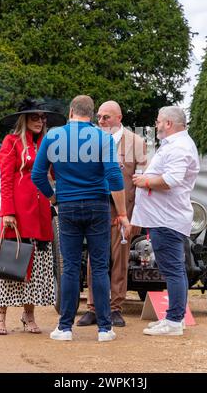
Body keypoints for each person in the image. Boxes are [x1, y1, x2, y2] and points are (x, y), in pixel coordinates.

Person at [32, 95, 131, 342]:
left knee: (70, 268)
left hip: (68, 206)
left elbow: (38, 175)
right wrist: (121, 213)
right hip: (98, 206)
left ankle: (65, 327)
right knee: (99, 266)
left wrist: (53, 198)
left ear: (71, 111)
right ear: (91, 113)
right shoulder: (103, 138)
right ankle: (105, 329)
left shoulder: (53, 136)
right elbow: (114, 177)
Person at [0, 99, 65, 335]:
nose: (40, 121)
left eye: (42, 117)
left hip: (41, 210)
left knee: (37, 266)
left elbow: (57, 173)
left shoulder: (47, 144)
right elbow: (6, 179)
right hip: (19, 211)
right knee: (12, 262)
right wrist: (8, 212)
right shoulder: (11, 142)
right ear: (24, 120)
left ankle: (28, 314)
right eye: (35, 117)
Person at [77, 101, 147, 328]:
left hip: (123, 212)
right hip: (96, 209)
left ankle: (116, 307)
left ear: (119, 117)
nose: (101, 121)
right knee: (94, 261)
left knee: (120, 260)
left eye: (106, 117)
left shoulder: (137, 143)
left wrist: (135, 217)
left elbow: (142, 183)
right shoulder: (91, 141)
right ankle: (93, 307)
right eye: (99, 116)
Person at [131, 106, 200, 336]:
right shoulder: (175, 145)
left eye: (159, 121)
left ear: (169, 123)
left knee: (172, 270)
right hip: (164, 217)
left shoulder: (179, 146)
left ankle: (173, 321)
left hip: (167, 218)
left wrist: (144, 182)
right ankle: (175, 318)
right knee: (173, 269)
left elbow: (172, 179)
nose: (156, 124)